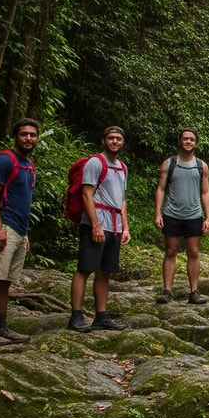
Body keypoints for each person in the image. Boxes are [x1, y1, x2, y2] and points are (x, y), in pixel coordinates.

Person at [0, 119, 40, 347]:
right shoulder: (5, 160)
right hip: (2, 225)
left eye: (32, 135)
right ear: (15, 136)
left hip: (18, 229)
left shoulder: (27, 164)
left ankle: (1, 327)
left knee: (5, 281)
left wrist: (25, 235)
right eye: (24, 134)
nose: (28, 138)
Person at [71, 126, 131, 331]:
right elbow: (86, 194)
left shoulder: (122, 167)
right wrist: (95, 225)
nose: (115, 142)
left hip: (114, 225)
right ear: (103, 140)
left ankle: (101, 315)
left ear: (122, 142)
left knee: (105, 271)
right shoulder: (96, 162)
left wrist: (125, 227)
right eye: (111, 138)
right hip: (96, 222)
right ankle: (76, 316)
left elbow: (121, 199)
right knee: (86, 268)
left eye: (118, 139)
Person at [154, 128, 209, 305]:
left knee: (193, 252)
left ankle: (194, 292)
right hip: (172, 214)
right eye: (185, 139)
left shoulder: (201, 166)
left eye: (191, 139)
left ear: (196, 143)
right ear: (180, 141)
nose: (188, 142)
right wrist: (157, 212)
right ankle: (167, 291)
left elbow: (205, 192)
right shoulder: (169, 164)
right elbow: (161, 189)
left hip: (194, 215)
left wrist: (208, 217)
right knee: (170, 251)